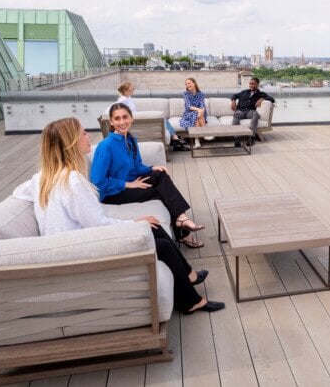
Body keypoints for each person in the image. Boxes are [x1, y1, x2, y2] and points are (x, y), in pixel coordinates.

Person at [18, 117, 223, 314]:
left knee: (154, 226)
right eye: (83, 132)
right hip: (80, 251)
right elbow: (98, 225)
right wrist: (133, 222)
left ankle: (189, 279)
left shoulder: (41, 178)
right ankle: (191, 300)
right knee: (161, 243)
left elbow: (18, 193)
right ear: (71, 142)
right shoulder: (72, 182)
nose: (88, 135)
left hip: (67, 246)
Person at [92, 103, 206, 248]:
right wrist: (128, 184)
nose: (122, 122)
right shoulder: (106, 146)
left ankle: (181, 219)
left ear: (131, 118)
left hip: (129, 183)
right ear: (111, 122)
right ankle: (183, 232)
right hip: (113, 193)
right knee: (160, 192)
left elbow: (136, 166)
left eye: (125, 117)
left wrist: (152, 168)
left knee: (160, 174)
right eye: (117, 118)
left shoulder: (130, 140)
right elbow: (98, 181)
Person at [116, 82, 189, 152]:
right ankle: (175, 140)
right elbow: (121, 111)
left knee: (163, 119)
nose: (133, 90)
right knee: (162, 118)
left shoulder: (127, 98)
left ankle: (175, 139)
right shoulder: (123, 101)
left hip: (137, 118)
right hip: (137, 120)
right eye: (132, 89)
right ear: (126, 91)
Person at [230, 77, 275, 146]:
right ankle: (237, 139)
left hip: (250, 112)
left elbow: (272, 99)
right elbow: (234, 95)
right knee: (236, 114)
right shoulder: (244, 92)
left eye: (253, 84)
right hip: (241, 111)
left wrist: (261, 99)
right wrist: (233, 102)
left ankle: (251, 138)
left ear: (257, 84)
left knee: (255, 114)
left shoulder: (261, 94)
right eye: (250, 84)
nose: (251, 85)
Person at [179, 77, 212, 149]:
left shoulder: (201, 94)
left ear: (194, 83)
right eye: (186, 84)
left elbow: (202, 104)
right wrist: (198, 110)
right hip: (189, 113)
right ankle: (205, 134)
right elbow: (188, 106)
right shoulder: (185, 94)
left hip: (200, 113)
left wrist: (201, 110)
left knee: (199, 115)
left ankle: (197, 140)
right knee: (196, 114)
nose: (187, 85)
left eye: (189, 83)